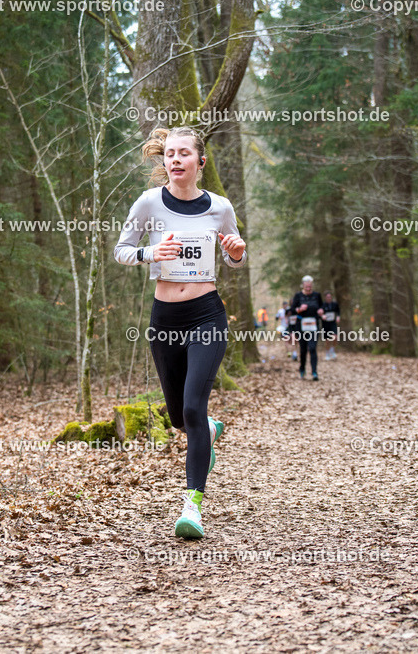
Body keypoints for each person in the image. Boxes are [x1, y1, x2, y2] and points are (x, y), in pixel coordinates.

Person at [114, 126, 247, 539]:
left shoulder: (220, 207)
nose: (174, 159)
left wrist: (238, 252)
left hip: (207, 315)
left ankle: (193, 506)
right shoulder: (150, 203)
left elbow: (233, 254)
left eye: (183, 153)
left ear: (199, 162)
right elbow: (121, 250)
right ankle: (204, 428)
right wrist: (151, 252)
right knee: (178, 417)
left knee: (192, 407)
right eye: (169, 153)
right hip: (165, 319)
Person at [291, 276, 324, 380]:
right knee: (303, 349)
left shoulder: (317, 295)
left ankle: (314, 372)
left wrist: (321, 311)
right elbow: (292, 310)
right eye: (306, 287)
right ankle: (302, 369)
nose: (308, 288)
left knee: (313, 348)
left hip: (314, 324)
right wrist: (299, 309)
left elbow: (321, 306)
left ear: (312, 285)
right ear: (303, 285)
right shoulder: (298, 296)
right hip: (301, 325)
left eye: (310, 286)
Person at [322, 292, 341, 360]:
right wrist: (322, 315)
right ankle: (327, 354)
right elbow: (320, 312)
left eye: (330, 297)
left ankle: (332, 351)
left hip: (333, 323)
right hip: (325, 324)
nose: (329, 298)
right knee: (327, 340)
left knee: (335, 337)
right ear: (325, 298)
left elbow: (338, 311)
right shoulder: (323, 305)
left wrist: (338, 317)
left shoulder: (335, 304)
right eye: (327, 297)